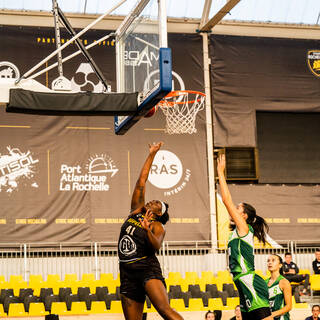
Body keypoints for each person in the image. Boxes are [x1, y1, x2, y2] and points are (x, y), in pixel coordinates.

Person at [117, 142, 183, 320]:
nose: (152, 200)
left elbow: (156, 246)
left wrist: (147, 230)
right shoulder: (136, 210)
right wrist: (152, 154)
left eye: (156, 203)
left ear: (159, 213)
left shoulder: (157, 226)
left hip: (146, 268)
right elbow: (141, 181)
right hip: (127, 271)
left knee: (164, 311)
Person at [217, 154, 272, 320]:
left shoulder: (244, 228)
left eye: (238, 208)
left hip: (250, 280)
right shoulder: (235, 232)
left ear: (244, 216)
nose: (234, 208)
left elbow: (226, 200)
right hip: (241, 281)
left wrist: (220, 172)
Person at [266, 254, 292, 320]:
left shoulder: (284, 282)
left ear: (280, 265)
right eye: (268, 261)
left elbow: (289, 306)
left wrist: (272, 315)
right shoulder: (264, 282)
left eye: (273, 260)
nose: (270, 262)